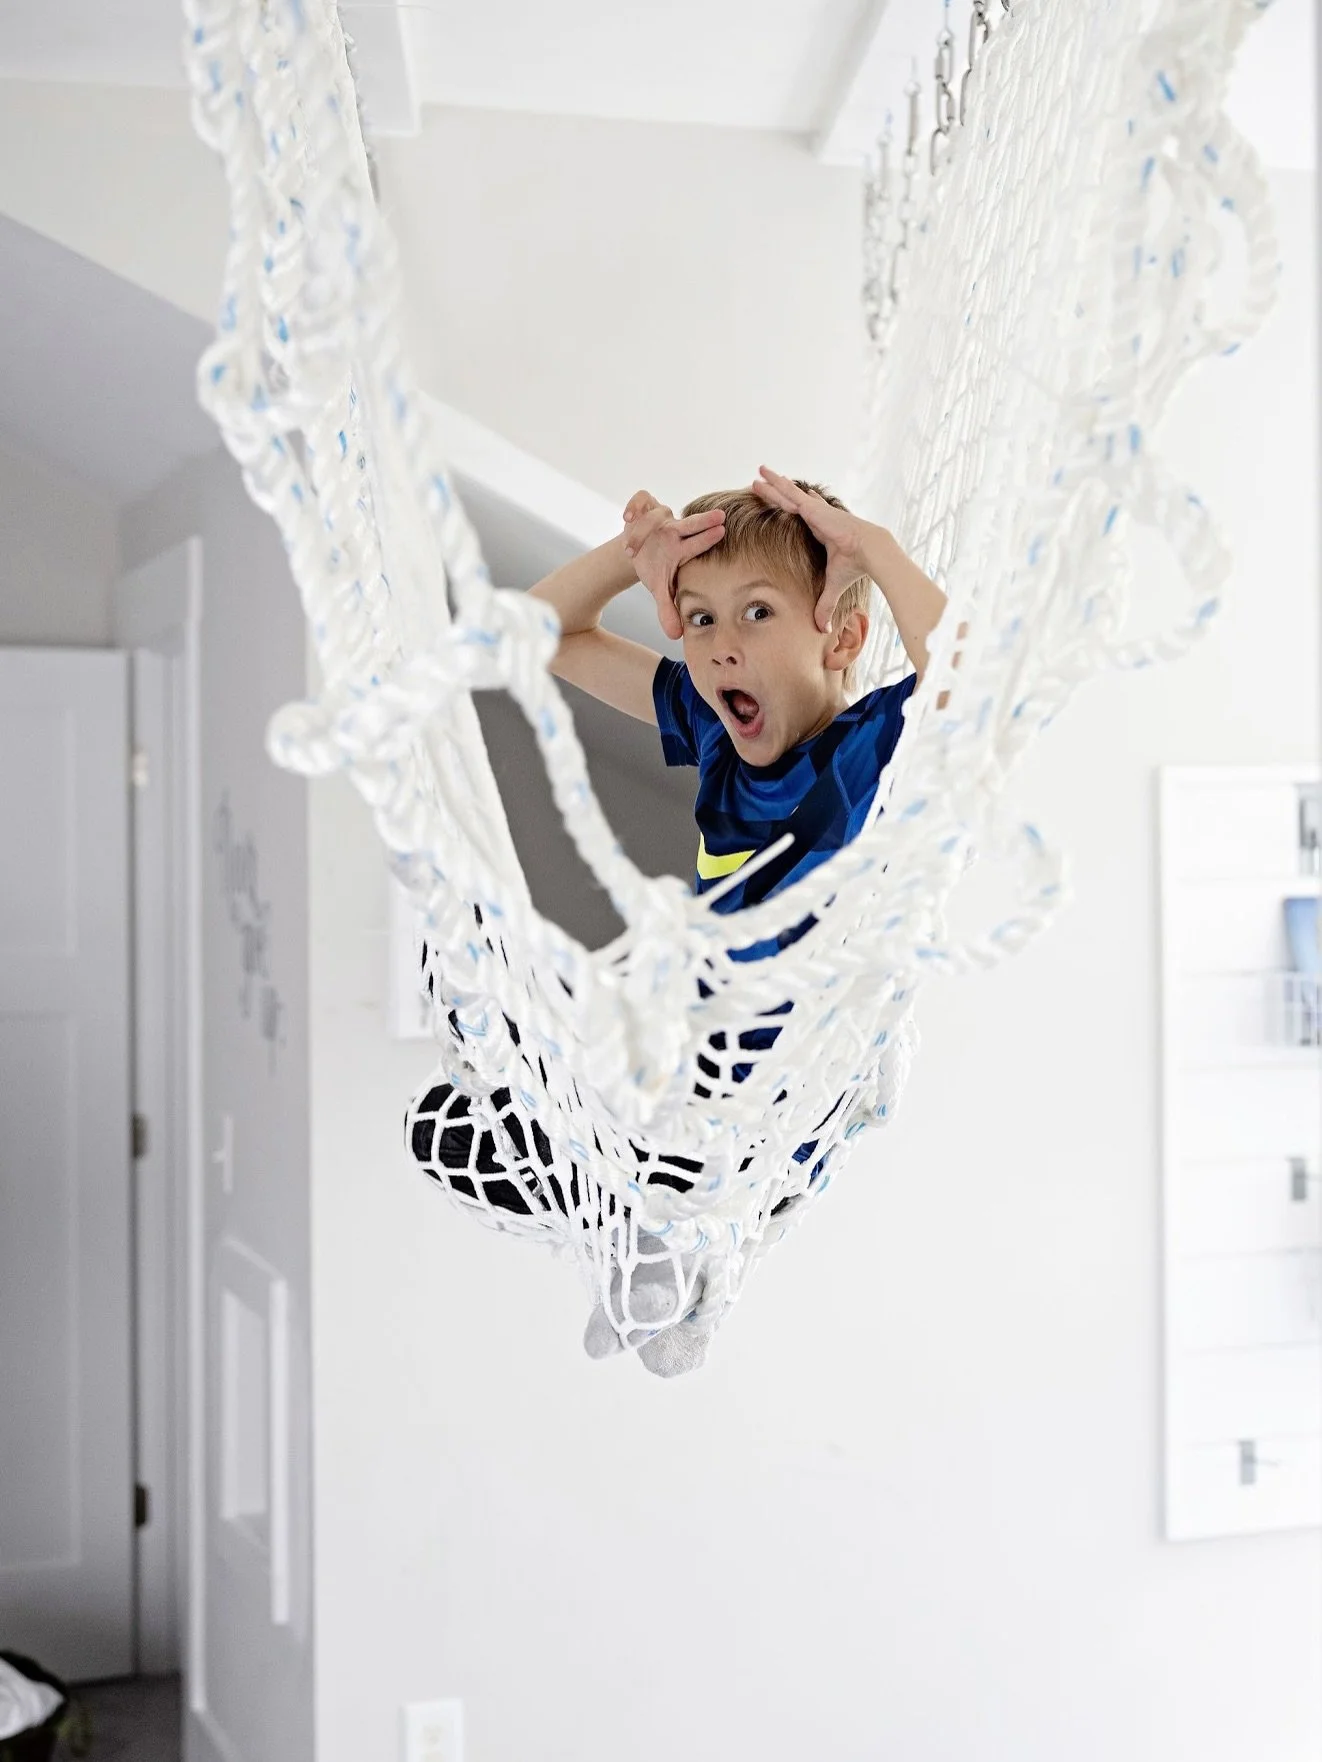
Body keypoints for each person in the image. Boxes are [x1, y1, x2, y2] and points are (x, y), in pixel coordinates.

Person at [407, 465, 948, 1372]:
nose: (721, 647)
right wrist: (633, 560)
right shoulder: (710, 729)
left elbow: (977, 680)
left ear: (845, 635)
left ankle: (676, 1255)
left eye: (758, 612)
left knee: (678, 1140)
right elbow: (537, 637)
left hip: (785, 1073)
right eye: (700, 617)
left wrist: (872, 553)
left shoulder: (867, 751)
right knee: (448, 1132)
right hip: (691, 1050)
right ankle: (651, 1255)